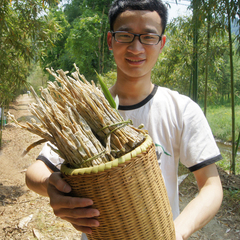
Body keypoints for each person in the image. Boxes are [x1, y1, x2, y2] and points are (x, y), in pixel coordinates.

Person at [25, 0, 223, 239]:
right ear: (110, 40)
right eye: (125, 35)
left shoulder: (181, 109)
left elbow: (211, 186)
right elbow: (34, 172)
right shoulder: (86, 109)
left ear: (161, 43)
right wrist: (51, 186)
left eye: (148, 37)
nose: (136, 48)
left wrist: (175, 233)